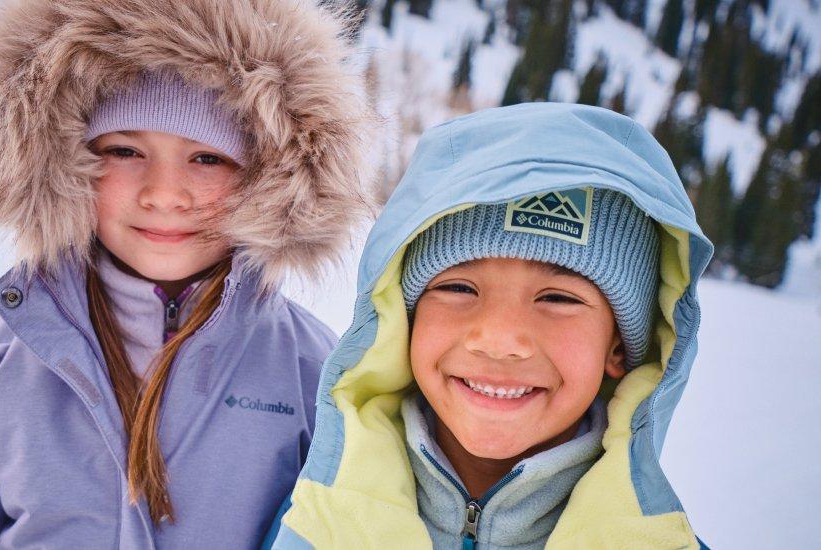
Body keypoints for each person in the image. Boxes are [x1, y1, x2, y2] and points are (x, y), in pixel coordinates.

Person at [0, 0, 372, 547]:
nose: (164, 194)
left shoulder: (311, 372)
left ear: (268, 181)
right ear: (62, 164)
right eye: (126, 150)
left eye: (207, 158)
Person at [269, 103, 712, 549]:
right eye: (459, 288)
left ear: (617, 347)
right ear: (403, 323)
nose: (499, 340)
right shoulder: (314, 523)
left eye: (557, 298)